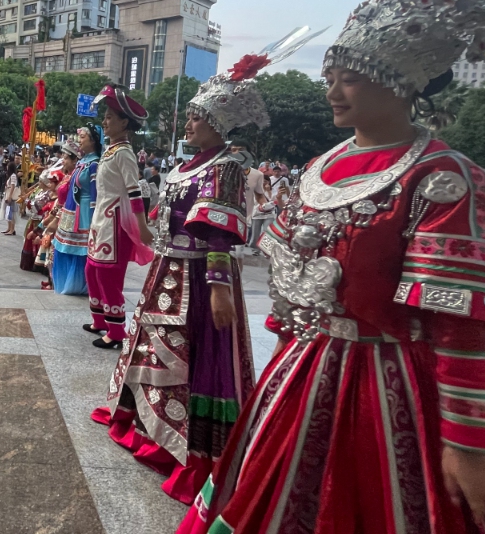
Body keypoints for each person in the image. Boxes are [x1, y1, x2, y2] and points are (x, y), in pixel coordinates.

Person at [180, 0, 485, 534]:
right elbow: (290, 285)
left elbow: (456, 322)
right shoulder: (320, 167)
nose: (332, 89)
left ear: (397, 79)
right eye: (330, 75)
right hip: (298, 374)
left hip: (389, 385)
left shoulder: (444, 176)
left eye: (349, 75)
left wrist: (469, 440)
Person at [93, 30, 325, 504]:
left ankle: (191, 445)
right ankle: (148, 423)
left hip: (199, 278)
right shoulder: (190, 165)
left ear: (219, 123)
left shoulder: (227, 166)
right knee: (152, 343)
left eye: (197, 117)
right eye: (191, 116)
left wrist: (219, 287)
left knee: (192, 354)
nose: (189, 123)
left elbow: (219, 230)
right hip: (167, 269)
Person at [84, 86, 155, 348]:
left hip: (115, 223)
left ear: (124, 123)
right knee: (92, 270)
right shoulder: (111, 150)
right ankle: (99, 320)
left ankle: (116, 332)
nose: (104, 122)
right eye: (104, 117)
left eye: (109, 117)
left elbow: (134, 192)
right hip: (102, 220)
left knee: (108, 275)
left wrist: (142, 226)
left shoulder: (124, 153)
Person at [51, 126, 100, 294]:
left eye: (83, 137)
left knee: (80, 250)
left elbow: (95, 195)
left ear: (93, 140)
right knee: (64, 247)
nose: (80, 140)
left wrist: (94, 219)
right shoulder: (82, 162)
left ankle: (80, 285)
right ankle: (68, 283)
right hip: (71, 209)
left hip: (84, 212)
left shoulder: (94, 164)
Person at [1, 161, 21, 235]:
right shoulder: (10, 175)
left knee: (11, 212)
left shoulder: (13, 176)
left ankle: (12, 229)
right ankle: (9, 228)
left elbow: (13, 186)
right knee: (8, 212)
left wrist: (10, 196)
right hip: (8, 194)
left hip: (11, 196)